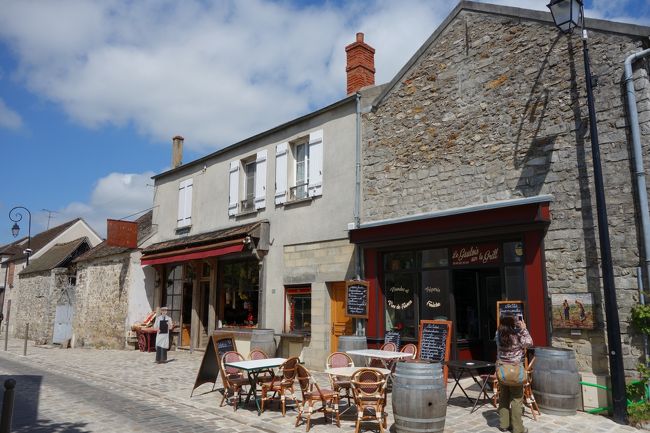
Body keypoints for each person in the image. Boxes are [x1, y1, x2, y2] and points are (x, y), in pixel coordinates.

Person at [496, 315, 533, 433]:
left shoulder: (498, 335)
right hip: (516, 371)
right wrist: (523, 329)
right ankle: (518, 428)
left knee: (503, 397)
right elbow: (529, 343)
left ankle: (504, 424)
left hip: (502, 371)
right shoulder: (517, 336)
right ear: (513, 324)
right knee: (517, 399)